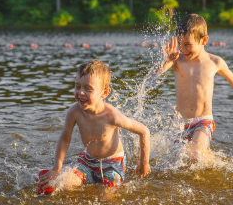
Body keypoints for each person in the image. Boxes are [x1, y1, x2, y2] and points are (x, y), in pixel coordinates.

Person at [157, 14, 233, 162]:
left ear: (204, 40)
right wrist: (165, 60)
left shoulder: (214, 62)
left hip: (203, 121)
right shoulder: (177, 60)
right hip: (180, 123)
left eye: (187, 44)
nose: (183, 49)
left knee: (195, 155)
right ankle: (211, 159)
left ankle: (211, 164)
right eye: (180, 44)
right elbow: (156, 72)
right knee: (176, 159)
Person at [36, 59, 151, 195]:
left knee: (106, 197)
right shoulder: (74, 112)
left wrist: (144, 163)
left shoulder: (111, 116)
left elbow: (144, 131)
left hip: (113, 163)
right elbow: (65, 138)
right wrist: (56, 168)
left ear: (104, 93)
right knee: (63, 186)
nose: (81, 93)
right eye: (78, 86)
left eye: (88, 88)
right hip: (87, 161)